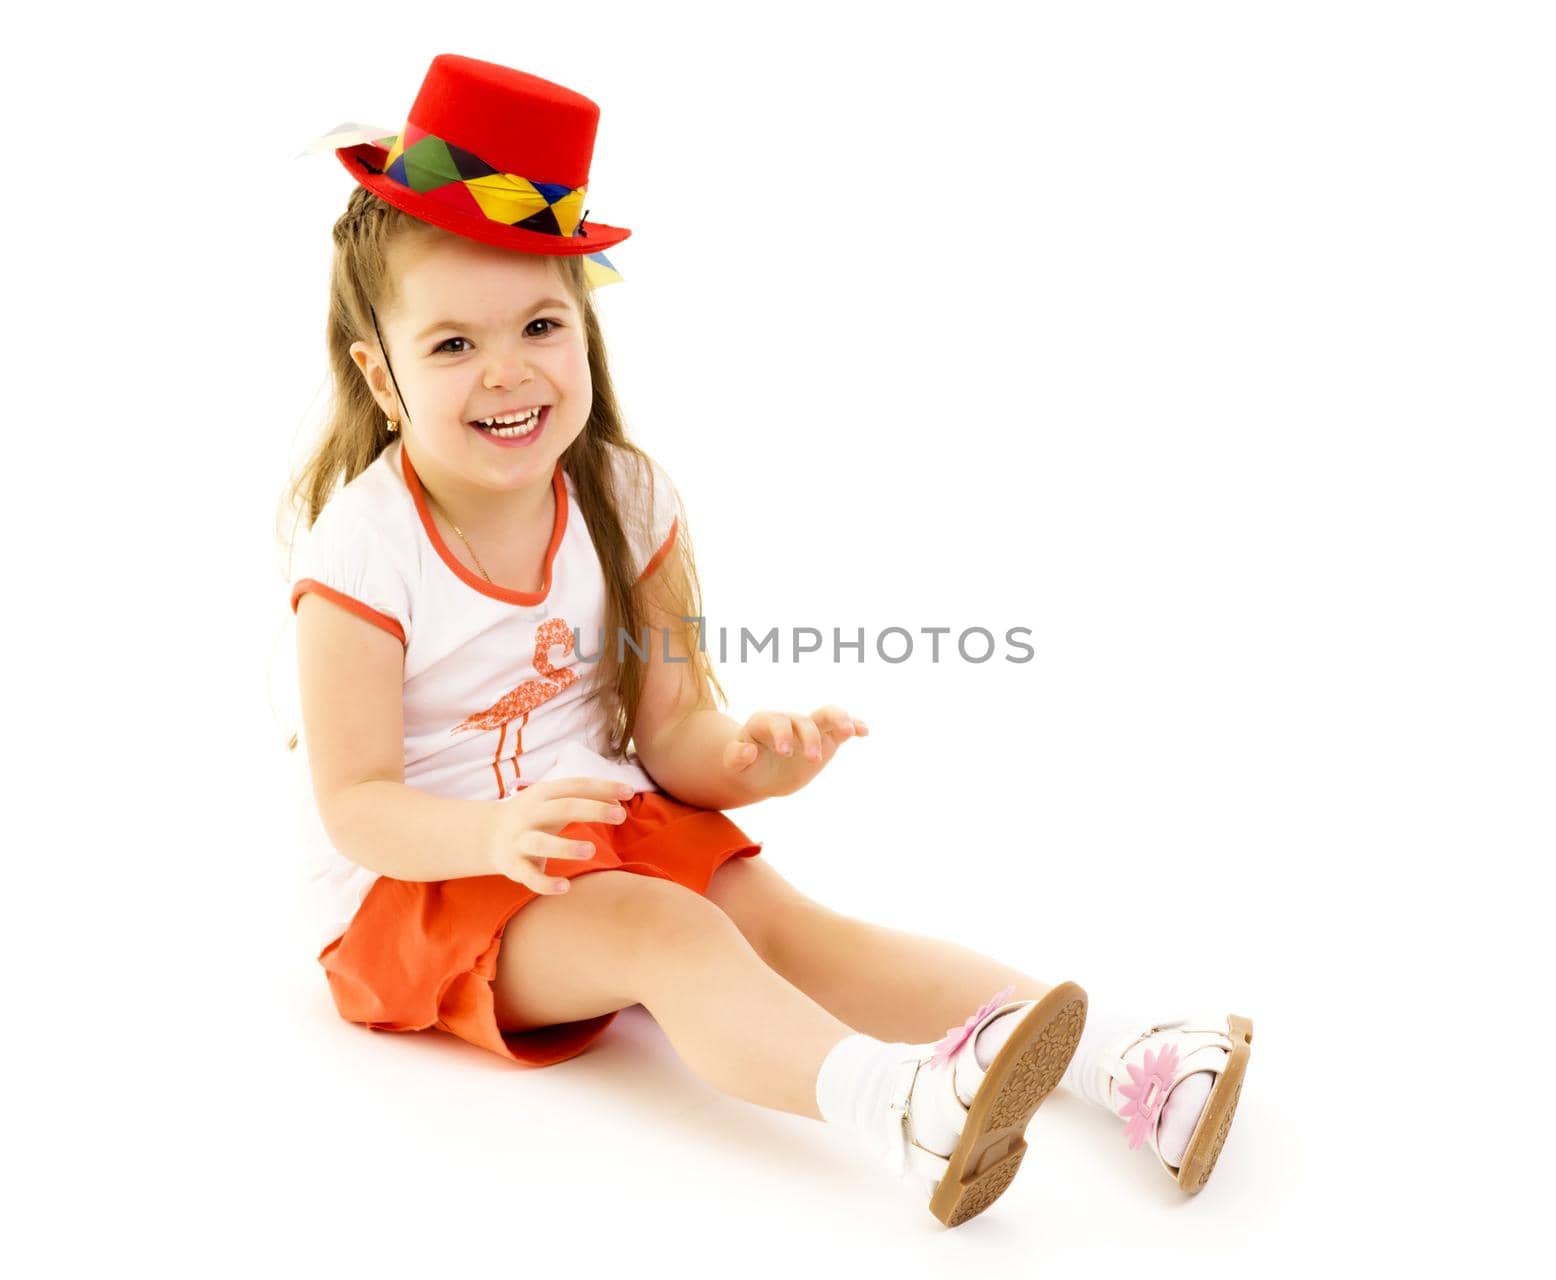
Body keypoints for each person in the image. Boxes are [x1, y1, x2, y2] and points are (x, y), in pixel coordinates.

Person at [280, 53, 1253, 1229]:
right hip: (423, 881)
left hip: (594, 817)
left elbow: (671, 732)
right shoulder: (363, 553)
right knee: (665, 927)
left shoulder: (625, 499)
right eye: (450, 346)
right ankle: (901, 1103)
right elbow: (356, 801)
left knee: (786, 921)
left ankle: (1128, 1059)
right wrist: (492, 829)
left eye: (540, 322)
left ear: (583, 328)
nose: (506, 372)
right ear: (380, 374)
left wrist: (744, 757)